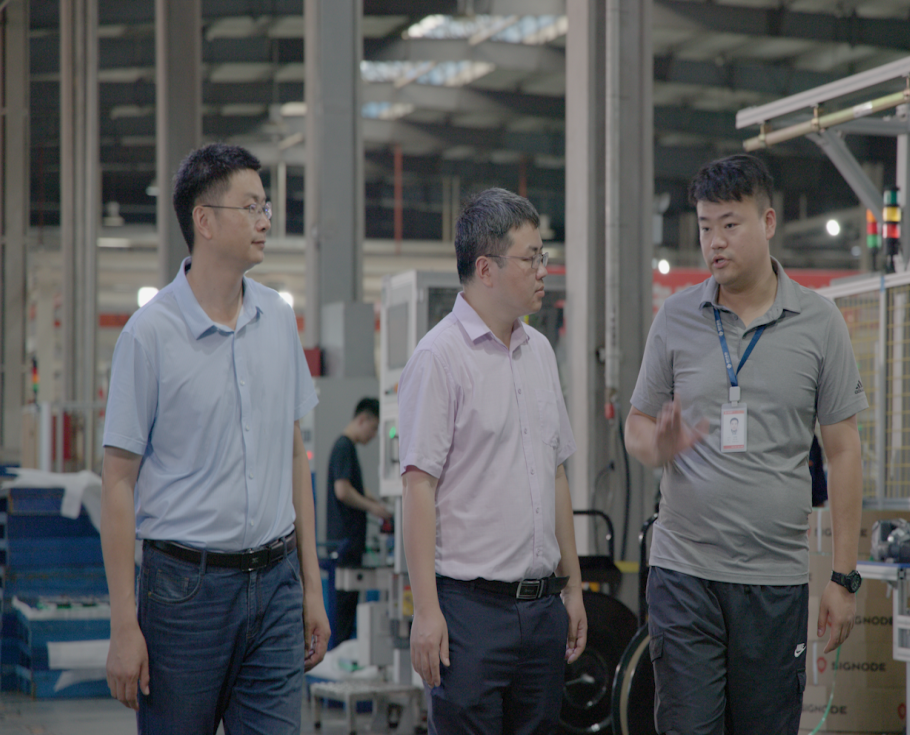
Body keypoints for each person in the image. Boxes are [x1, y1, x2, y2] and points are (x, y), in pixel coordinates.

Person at [624, 153, 867, 735]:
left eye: (730, 224)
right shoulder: (676, 317)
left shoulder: (819, 323)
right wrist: (656, 448)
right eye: (705, 226)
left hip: (774, 580)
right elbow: (636, 424)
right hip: (685, 572)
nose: (715, 242)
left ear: (768, 221)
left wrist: (843, 578)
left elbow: (843, 451)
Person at [100, 143, 329, 734]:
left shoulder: (278, 319)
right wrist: (123, 623)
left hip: (276, 587)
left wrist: (311, 587)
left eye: (265, 206)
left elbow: (294, 454)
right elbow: (118, 482)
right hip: (185, 595)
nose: (265, 220)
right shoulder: (149, 336)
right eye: (250, 206)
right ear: (203, 220)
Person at [398, 188, 587, 734]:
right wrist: (426, 611)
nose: (543, 270)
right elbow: (418, 488)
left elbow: (556, 473)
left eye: (543, 256)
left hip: (541, 610)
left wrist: (572, 587)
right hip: (470, 615)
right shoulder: (439, 358)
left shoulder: (540, 352)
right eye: (531, 258)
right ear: (486, 269)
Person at [326, 397, 392, 648]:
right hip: (345, 546)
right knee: (342, 620)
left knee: (346, 614)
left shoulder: (347, 448)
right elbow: (343, 491)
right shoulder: (344, 446)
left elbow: (354, 487)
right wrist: (373, 508)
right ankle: (337, 660)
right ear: (362, 419)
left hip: (348, 545)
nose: (374, 435)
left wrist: (375, 501)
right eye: (373, 428)